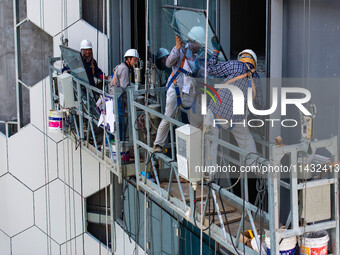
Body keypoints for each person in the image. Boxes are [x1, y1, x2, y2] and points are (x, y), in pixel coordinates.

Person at [204, 37, 265, 169]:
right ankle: (256, 168)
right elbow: (259, 104)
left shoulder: (235, 65)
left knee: (210, 143)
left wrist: (215, 52)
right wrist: (261, 122)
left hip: (216, 112)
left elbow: (210, 70)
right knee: (247, 141)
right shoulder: (256, 78)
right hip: (236, 119)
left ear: (241, 58)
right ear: (253, 62)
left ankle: (209, 174)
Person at [153, 26, 205, 152]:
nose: (199, 47)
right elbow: (169, 63)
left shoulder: (197, 56)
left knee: (196, 120)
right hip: (176, 87)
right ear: (193, 41)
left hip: (189, 91)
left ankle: (196, 147)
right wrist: (176, 48)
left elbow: (201, 72)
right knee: (168, 116)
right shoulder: (180, 50)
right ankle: (158, 144)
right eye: (198, 44)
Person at [109, 49, 139, 141]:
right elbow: (124, 87)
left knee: (114, 121)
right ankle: (119, 142)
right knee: (119, 122)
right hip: (117, 97)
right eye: (134, 60)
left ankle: (112, 141)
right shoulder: (125, 69)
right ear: (128, 59)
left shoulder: (121, 66)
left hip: (114, 95)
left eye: (136, 60)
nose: (135, 62)